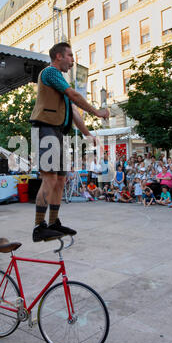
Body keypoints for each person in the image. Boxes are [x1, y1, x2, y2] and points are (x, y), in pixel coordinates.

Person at [30, 42, 109, 242]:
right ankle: (39, 227)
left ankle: (54, 222)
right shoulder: (50, 73)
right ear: (58, 56)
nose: (73, 60)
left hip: (59, 132)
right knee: (49, 178)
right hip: (46, 128)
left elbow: (74, 112)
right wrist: (97, 112)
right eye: (70, 56)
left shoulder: (60, 85)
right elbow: (74, 95)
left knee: (61, 180)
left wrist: (88, 135)